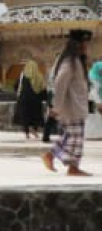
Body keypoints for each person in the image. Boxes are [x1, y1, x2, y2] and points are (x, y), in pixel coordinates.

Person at [43, 29, 92, 176]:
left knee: (70, 137)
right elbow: (60, 82)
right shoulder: (70, 62)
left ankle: (50, 156)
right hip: (72, 108)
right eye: (84, 43)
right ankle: (72, 168)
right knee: (75, 138)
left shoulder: (75, 61)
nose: (86, 46)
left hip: (76, 107)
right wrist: (56, 106)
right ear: (77, 44)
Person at [13, 59, 48, 140]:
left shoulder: (23, 76)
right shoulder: (39, 76)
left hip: (24, 100)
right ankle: (35, 131)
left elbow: (16, 86)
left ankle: (27, 133)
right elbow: (43, 88)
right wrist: (45, 98)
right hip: (35, 101)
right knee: (35, 116)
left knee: (25, 116)